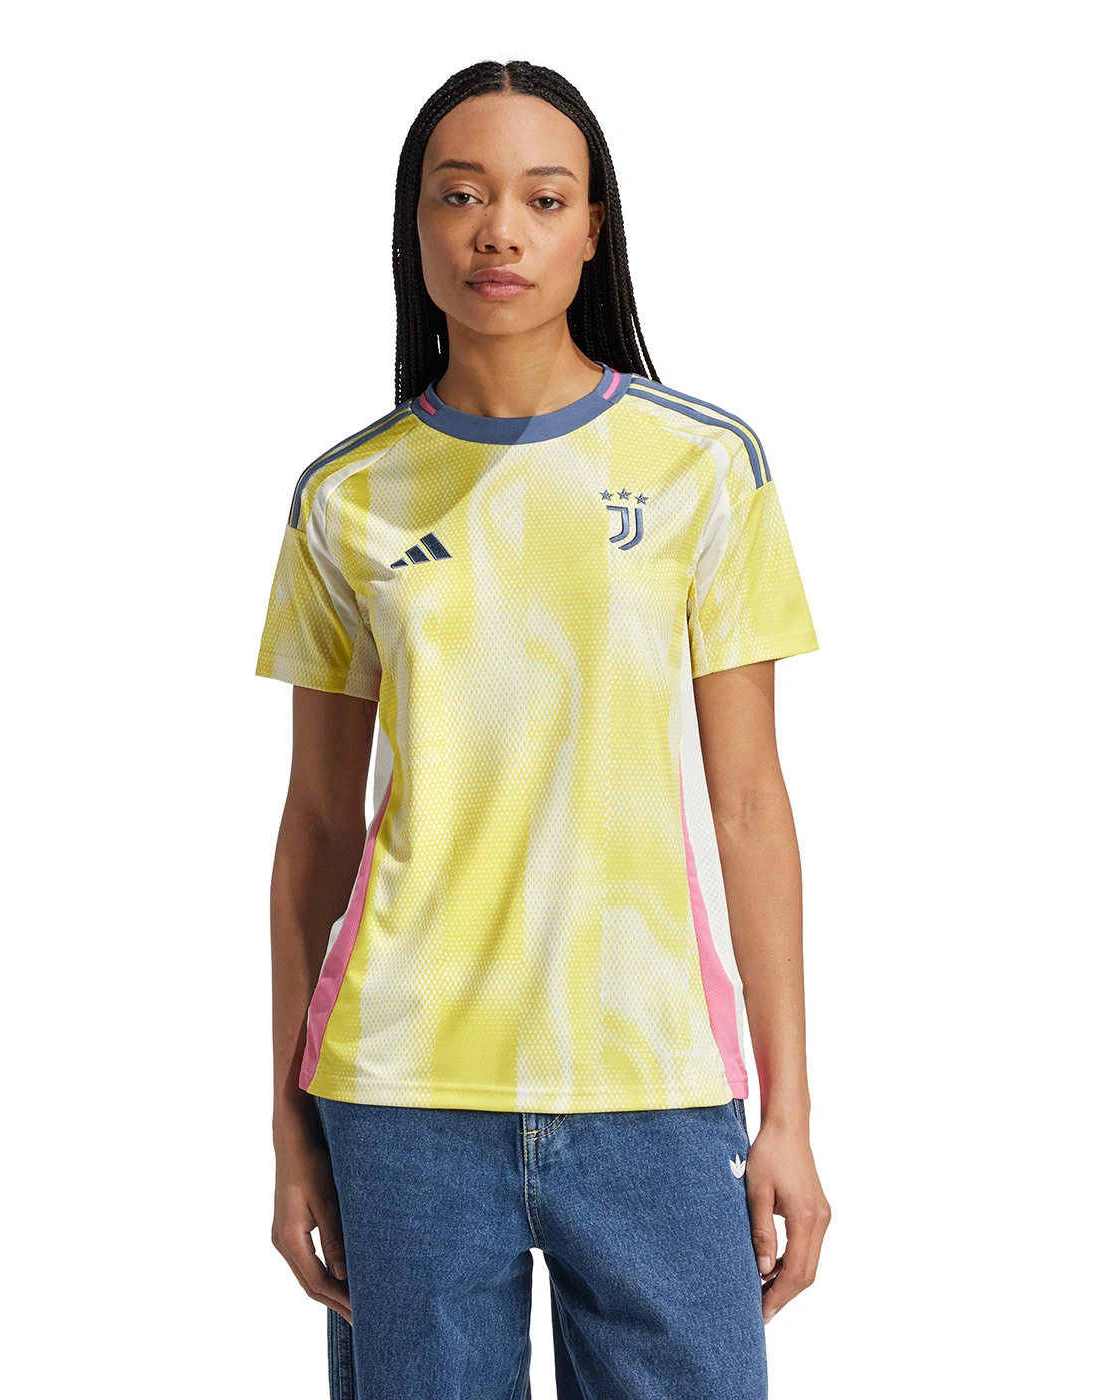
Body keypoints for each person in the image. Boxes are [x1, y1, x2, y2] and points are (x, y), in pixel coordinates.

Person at [255, 58, 831, 1400]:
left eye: (542, 197)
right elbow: (316, 828)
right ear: (416, 227)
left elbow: (751, 805)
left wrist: (791, 1116)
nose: (498, 231)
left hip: (653, 1074)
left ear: (592, 229)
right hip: (399, 1086)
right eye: (460, 196)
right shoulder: (346, 496)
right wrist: (288, 1135)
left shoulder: (705, 470)